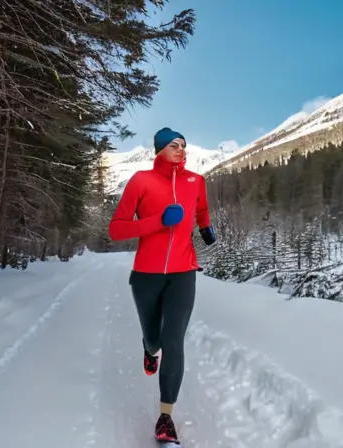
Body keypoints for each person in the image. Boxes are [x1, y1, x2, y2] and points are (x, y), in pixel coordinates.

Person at [108, 127, 216, 444]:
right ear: (158, 150)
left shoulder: (197, 181)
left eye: (184, 145)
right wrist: (158, 222)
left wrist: (206, 227)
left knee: (174, 341)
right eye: (174, 145)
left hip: (184, 271)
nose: (181, 150)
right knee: (155, 339)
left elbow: (201, 208)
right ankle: (148, 348)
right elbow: (116, 229)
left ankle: (166, 416)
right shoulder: (142, 180)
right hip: (147, 274)